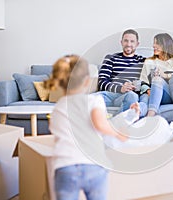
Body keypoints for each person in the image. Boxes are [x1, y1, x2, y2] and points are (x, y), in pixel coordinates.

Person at [44, 55, 139, 200]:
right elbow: (101, 125)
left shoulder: (58, 108)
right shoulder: (94, 100)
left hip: (65, 167)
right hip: (93, 165)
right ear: (87, 81)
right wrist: (119, 134)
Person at [98, 29, 149, 117]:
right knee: (85, 100)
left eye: (132, 41)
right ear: (121, 42)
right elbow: (101, 82)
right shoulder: (111, 58)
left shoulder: (143, 61)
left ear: (137, 44)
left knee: (133, 97)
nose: (128, 44)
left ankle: (116, 124)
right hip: (113, 94)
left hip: (132, 95)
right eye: (126, 41)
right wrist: (120, 88)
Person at [140, 33, 173, 116]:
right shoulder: (149, 62)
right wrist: (148, 90)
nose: (153, 46)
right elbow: (142, 81)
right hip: (152, 93)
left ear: (165, 46)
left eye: (157, 43)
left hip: (168, 95)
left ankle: (150, 116)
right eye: (154, 43)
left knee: (157, 79)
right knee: (145, 98)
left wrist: (166, 75)